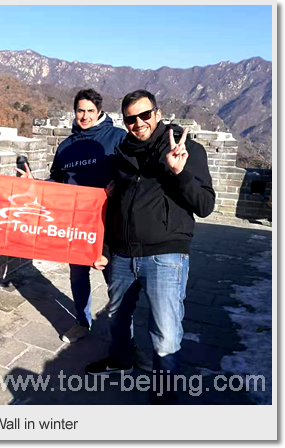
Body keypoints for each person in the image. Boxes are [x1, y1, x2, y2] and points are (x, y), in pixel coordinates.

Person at [85, 90, 215, 404]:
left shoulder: (186, 149)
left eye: (145, 115)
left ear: (156, 113)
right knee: (117, 317)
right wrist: (103, 247)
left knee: (165, 330)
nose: (139, 123)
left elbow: (205, 205)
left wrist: (179, 172)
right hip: (123, 254)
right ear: (124, 121)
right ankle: (121, 361)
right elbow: (115, 205)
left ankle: (163, 394)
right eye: (131, 118)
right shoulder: (122, 152)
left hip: (165, 254)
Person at [16, 89, 151, 370]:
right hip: (77, 224)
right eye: (80, 111)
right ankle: (82, 321)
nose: (85, 116)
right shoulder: (66, 147)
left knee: (118, 287)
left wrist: (120, 182)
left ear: (99, 110)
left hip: (112, 223)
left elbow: (134, 168)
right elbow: (58, 183)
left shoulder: (117, 138)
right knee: (78, 277)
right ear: (74, 112)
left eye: (90, 110)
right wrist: (35, 184)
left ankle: (127, 344)